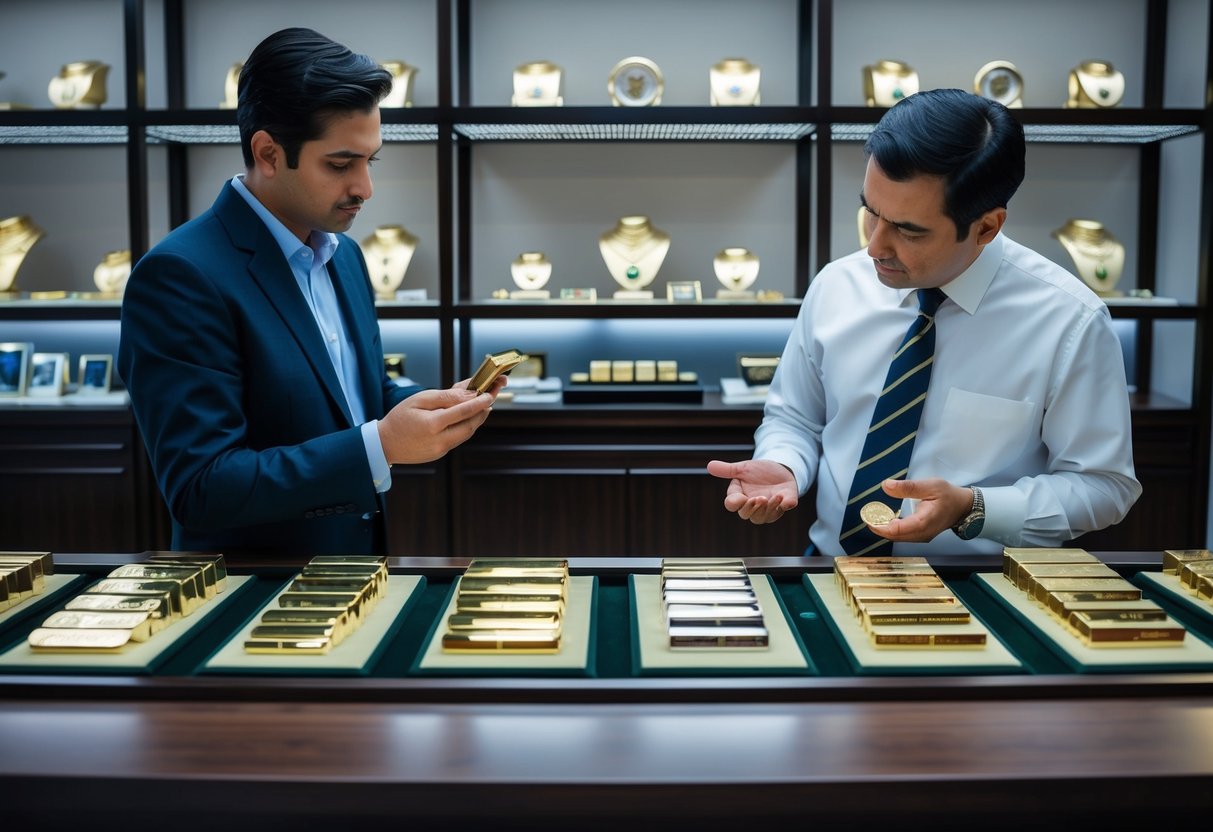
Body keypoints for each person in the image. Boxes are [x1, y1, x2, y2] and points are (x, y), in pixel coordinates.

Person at [118, 28, 504, 555]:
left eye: (372, 162)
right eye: (342, 165)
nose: (365, 189)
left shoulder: (345, 257)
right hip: (250, 604)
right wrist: (383, 445)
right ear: (269, 153)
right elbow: (201, 488)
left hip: (355, 580)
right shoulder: (180, 276)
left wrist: (426, 407)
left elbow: (349, 398)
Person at [708, 88, 1141, 556]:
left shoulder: (1069, 321)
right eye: (871, 213)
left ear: (987, 227)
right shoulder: (837, 285)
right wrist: (784, 465)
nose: (875, 246)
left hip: (984, 592)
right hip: (833, 574)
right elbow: (794, 418)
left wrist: (974, 507)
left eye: (908, 230)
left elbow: (1103, 486)